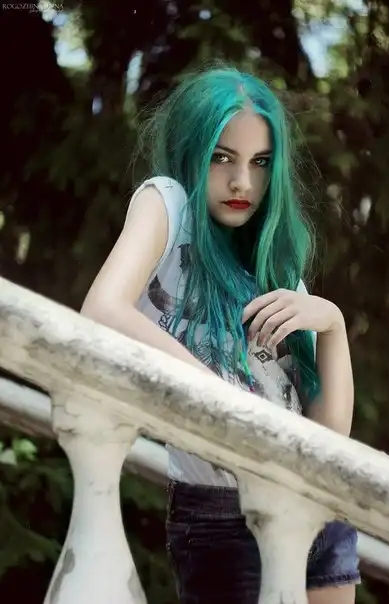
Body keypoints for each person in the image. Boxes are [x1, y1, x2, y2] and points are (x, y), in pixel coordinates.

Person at [81, 66, 360, 604]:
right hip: (223, 514)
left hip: (316, 505)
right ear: (193, 152)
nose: (243, 183)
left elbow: (329, 438)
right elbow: (103, 310)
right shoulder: (168, 204)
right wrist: (225, 396)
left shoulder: (274, 266)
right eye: (222, 157)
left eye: (260, 162)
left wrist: (333, 324)